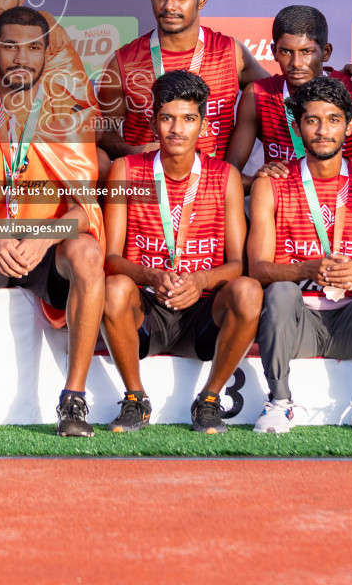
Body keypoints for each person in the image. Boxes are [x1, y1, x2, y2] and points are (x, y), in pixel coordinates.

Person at [0, 6, 104, 437]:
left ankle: (74, 400)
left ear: (48, 54)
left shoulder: (69, 114)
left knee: (86, 251)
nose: (21, 58)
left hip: (45, 251)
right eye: (10, 46)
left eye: (33, 48)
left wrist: (44, 238)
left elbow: (86, 210)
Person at [100, 70, 262, 434]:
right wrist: (151, 275)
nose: (177, 129)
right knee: (112, 289)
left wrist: (201, 279)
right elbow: (111, 259)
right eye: (168, 118)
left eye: (188, 119)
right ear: (154, 122)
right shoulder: (126, 170)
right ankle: (134, 399)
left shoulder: (225, 176)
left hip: (201, 311)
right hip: (147, 307)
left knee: (249, 291)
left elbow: (238, 264)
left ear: (203, 125)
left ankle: (208, 400)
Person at [247, 76, 352, 435]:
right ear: (298, 125)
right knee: (281, 291)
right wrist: (305, 268)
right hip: (297, 322)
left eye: (334, 120)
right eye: (312, 120)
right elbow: (257, 270)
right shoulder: (270, 183)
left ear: (351, 126)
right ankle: (279, 403)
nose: (323, 130)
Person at [97, 0, 262, 163]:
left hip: (212, 189)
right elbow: (103, 131)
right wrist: (135, 151)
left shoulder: (231, 53)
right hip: (149, 186)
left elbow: (278, 100)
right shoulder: (124, 62)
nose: (168, 6)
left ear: (201, 0)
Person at [225, 5, 352, 188]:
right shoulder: (258, 95)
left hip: (349, 211)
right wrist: (264, 185)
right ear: (274, 52)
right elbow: (228, 175)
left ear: (326, 52)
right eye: (286, 52)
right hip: (287, 213)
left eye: (307, 51)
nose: (296, 64)